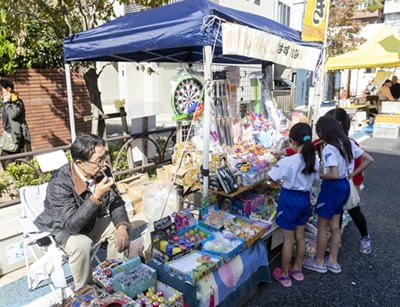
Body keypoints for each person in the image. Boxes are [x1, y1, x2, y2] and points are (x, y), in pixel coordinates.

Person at [34, 133, 131, 290]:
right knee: (82, 244)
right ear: (80, 163)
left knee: (121, 226)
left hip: (90, 222)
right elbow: (71, 226)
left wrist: (121, 226)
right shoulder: (59, 182)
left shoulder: (101, 171)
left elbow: (116, 201)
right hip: (63, 228)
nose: (104, 164)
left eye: (104, 157)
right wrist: (96, 196)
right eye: (99, 160)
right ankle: (86, 291)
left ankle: (115, 278)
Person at [302, 116, 373, 274]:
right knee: (335, 226)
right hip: (344, 186)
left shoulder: (329, 148)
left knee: (321, 226)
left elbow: (333, 174)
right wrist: (351, 174)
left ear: (322, 131)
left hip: (332, 188)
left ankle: (319, 262)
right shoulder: (347, 142)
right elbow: (369, 159)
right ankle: (333, 261)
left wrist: (316, 175)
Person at [266, 123, 319, 287]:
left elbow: (269, 177)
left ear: (291, 141)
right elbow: (314, 177)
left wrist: (280, 179)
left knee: (288, 240)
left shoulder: (288, 161)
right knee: (300, 237)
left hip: (289, 200)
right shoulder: (313, 160)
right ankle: (297, 270)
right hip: (304, 199)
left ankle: (284, 275)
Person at [326, 108, 373, 254]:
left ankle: (365, 237)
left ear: (337, 124)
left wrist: (355, 180)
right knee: (336, 214)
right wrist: (284, 152)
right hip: (335, 186)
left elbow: (360, 163)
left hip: (349, 185)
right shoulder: (327, 142)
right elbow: (308, 146)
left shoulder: (350, 143)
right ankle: (335, 240)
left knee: (355, 212)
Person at [0, 78, 31, 169]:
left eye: (1, 90)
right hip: (9, 136)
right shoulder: (5, 103)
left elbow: (13, 114)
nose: (0, 93)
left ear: (8, 90)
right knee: (5, 159)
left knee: (24, 163)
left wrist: (7, 102)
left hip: (19, 137)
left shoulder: (17, 102)